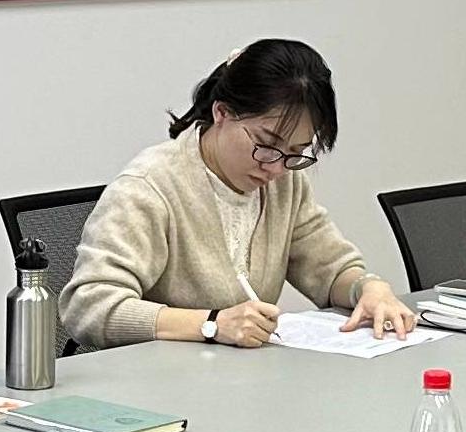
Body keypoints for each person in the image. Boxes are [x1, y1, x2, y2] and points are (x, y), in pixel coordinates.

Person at [59, 39, 417, 350]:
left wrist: (368, 289)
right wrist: (211, 324)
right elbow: (89, 306)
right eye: (266, 144)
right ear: (222, 113)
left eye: (296, 152)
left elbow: (330, 269)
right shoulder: (150, 187)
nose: (275, 168)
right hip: (156, 385)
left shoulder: (284, 183)